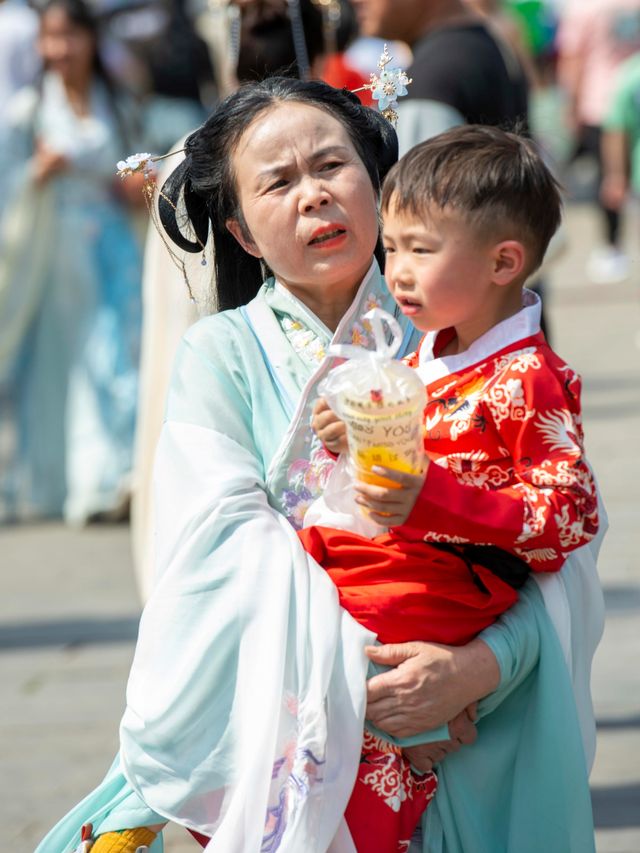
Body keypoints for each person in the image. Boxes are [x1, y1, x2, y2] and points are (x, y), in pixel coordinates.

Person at [36, 77, 604, 853]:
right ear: (240, 232)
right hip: (294, 729)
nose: (315, 197)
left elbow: (560, 539)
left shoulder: (469, 339)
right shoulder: (221, 355)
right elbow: (218, 560)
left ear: (378, 181)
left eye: (332, 167)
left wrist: (482, 664)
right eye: (278, 182)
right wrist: (367, 688)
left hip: (475, 727)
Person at [299, 124, 600, 851]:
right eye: (392, 247)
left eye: (421, 250)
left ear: (504, 261)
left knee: (312, 676)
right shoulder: (434, 351)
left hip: (441, 586)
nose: (397, 271)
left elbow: (569, 516)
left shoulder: (529, 377)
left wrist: (430, 494)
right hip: (409, 572)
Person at [0, 0, 143, 524]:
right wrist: (38, 173)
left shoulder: (120, 103)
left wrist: (134, 185)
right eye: (49, 37)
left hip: (115, 247)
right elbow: (8, 185)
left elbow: (138, 161)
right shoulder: (28, 110)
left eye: (68, 36)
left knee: (119, 356)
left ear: (88, 39)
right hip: (57, 255)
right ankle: (78, 480)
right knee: (69, 364)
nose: (59, 48)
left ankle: (118, 474)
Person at [556, 0, 640, 284]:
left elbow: (574, 59)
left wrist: (571, 106)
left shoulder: (583, 8)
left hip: (599, 101)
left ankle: (612, 246)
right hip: (634, 98)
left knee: (609, 180)